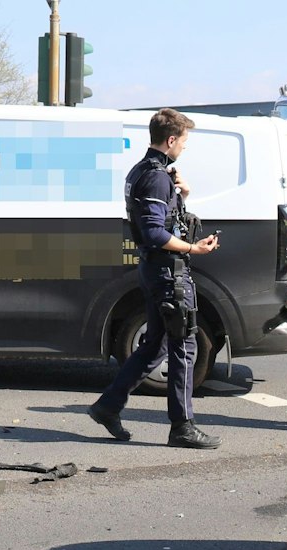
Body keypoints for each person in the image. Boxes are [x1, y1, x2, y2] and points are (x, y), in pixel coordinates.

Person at [88, 108, 222, 450]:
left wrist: (184, 196)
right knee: (184, 347)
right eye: (184, 141)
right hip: (166, 273)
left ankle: (108, 406)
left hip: (158, 270)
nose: (185, 148)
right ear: (172, 139)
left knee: (156, 344)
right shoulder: (156, 176)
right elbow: (154, 232)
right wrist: (194, 248)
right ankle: (182, 427)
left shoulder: (149, 172)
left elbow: (166, 219)